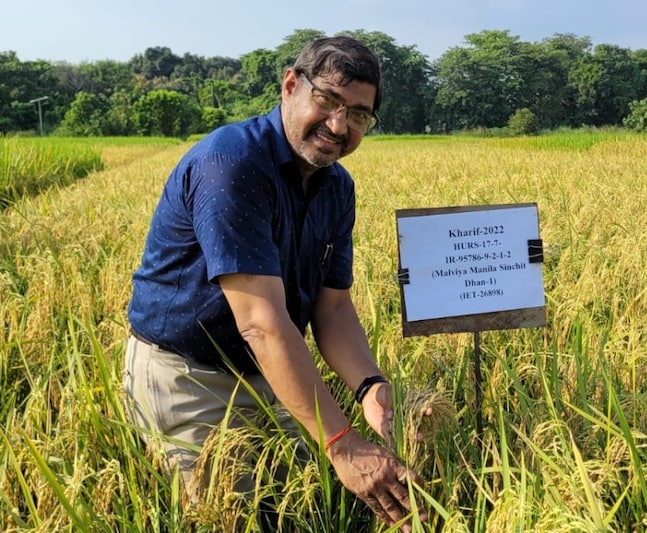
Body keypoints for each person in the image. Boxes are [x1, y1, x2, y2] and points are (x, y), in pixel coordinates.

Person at [123, 36, 426, 532]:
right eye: (327, 100)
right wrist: (342, 443)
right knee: (239, 515)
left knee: (312, 502)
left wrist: (370, 384)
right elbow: (262, 324)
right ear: (291, 86)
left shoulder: (337, 187)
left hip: (268, 372)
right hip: (187, 374)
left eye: (358, 115)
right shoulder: (231, 165)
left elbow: (331, 309)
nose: (338, 125)